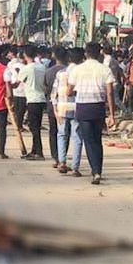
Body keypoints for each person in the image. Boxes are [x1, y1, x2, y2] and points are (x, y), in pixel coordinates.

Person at [67, 43, 115, 185]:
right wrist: (112, 115)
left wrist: (80, 89)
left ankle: (95, 172)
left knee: (88, 141)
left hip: (83, 107)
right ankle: (98, 170)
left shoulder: (77, 70)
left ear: (86, 54)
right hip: (98, 107)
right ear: (99, 53)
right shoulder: (104, 69)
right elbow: (110, 92)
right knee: (97, 140)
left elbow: (69, 91)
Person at [54, 48, 84, 176]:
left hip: (62, 107)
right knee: (77, 137)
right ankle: (75, 167)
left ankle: (62, 162)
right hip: (78, 108)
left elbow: (53, 93)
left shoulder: (61, 73)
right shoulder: (82, 73)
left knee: (61, 135)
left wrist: (55, 108)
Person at [17, 45, 48, 161]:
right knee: (36, 125)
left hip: (32, 99)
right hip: (41, 98)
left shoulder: (26, 68)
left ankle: (39, 152)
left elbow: (17, 82)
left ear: (25, 55)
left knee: (33, 127)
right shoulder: (42, 67)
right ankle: (34, 150)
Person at [43, 46, 67, 167]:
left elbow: (45, 89)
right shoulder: (68, 71)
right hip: (67, 105)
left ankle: (56, 156)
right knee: (65, 131)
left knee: (53, 131)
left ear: (53, 56)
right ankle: (63, 155)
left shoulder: (48, 71)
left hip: (52, 105)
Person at [6, 47, 27, 132]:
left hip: (14, 89)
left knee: (16, 107)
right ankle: (19, 125)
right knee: (21, 109)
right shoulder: (24, 66)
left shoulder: (11, 64)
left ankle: (16, 123)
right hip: (22, 90)